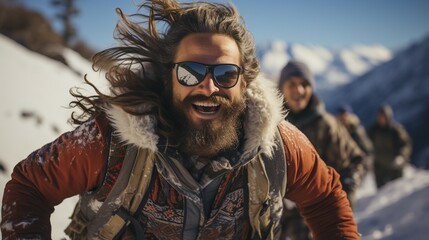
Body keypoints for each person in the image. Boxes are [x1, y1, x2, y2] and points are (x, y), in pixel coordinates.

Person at [1, 1, 360, 239]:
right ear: (167, 76)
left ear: (245, 82)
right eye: (190, 72)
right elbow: (30, 186)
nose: (208, 86)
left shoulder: (278, 148)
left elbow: (326, 197)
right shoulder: (111, 141)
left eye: (225, 74)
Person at [278, 60, 365, 240]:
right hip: (279, 224)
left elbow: (356, 161)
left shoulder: (327, 126)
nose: (299, 90)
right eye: (292, 84)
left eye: (305, 84)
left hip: (315, 224)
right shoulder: (272, 126)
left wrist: (338, 205)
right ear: (281, 87)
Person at [368, 104, 412, 189]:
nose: (381, 119)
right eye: (379, 116)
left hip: (395, 167)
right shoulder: (373, 131)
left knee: (396, 191)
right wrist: (369, 159)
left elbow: (405, 144)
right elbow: (367, 146)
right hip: (380, 168)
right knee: (382, 193)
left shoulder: (396, 130)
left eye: (383, 116)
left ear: (388, 117)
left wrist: (402, 157)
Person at [336, 104, 374, 173]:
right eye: (341, 115)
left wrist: (364, 157)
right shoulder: (339, 129)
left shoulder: (355, 128)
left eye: (344, 115)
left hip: (359, 161)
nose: (343, 118)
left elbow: (365, 145)